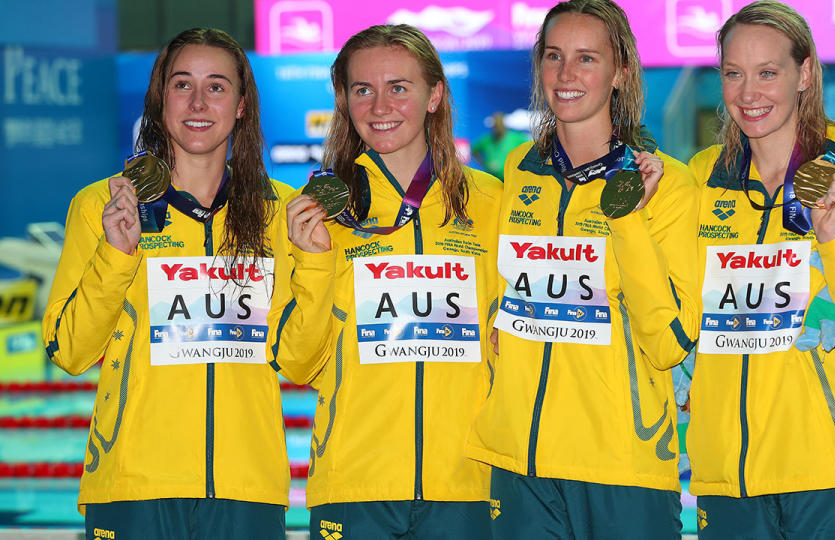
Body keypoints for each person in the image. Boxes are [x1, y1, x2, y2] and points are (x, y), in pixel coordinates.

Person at [686, 2, 835, 538]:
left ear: (806, 73)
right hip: (728, 483)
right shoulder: (700, 181)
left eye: (768, 72)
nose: (749, 94)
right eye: (733, 74)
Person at [41, 28, 293, 539]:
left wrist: (314, 264)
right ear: (159, 101)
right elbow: (68, 350)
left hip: (248, 486)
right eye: (183, 85)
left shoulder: (281, 213)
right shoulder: (103, 206)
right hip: (134, 485)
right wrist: (117, 254)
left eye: (217, 86)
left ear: (242, 105)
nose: (199, 102)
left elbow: (302, 357)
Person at [465, 1, 700, 538]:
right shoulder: (518, 172)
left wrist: (629, 219)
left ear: (621, 72)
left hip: (622, 466)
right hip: (519, 462)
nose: (566, 75)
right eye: (554, 56)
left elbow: (669, 342)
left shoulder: (671, 186)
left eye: (587, 59)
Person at [266, 24, 502, 540]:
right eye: (362, 90)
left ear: (434, 95)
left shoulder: (491, 204)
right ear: (344, 101)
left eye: (398, 87)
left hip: (469, 484)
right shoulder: (316, 211)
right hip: (355, 483)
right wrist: (313, 263)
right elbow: (297, 361)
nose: (379, 106)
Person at [471, 112, 528, 179]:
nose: (497, 128)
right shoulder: (487, 139)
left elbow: (530, 149)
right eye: (495, 126)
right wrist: (484, 163)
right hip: (492, 179)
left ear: (504, 125)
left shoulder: (516, 138)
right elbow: (474, 150)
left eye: (499, 125)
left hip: (511, 179)